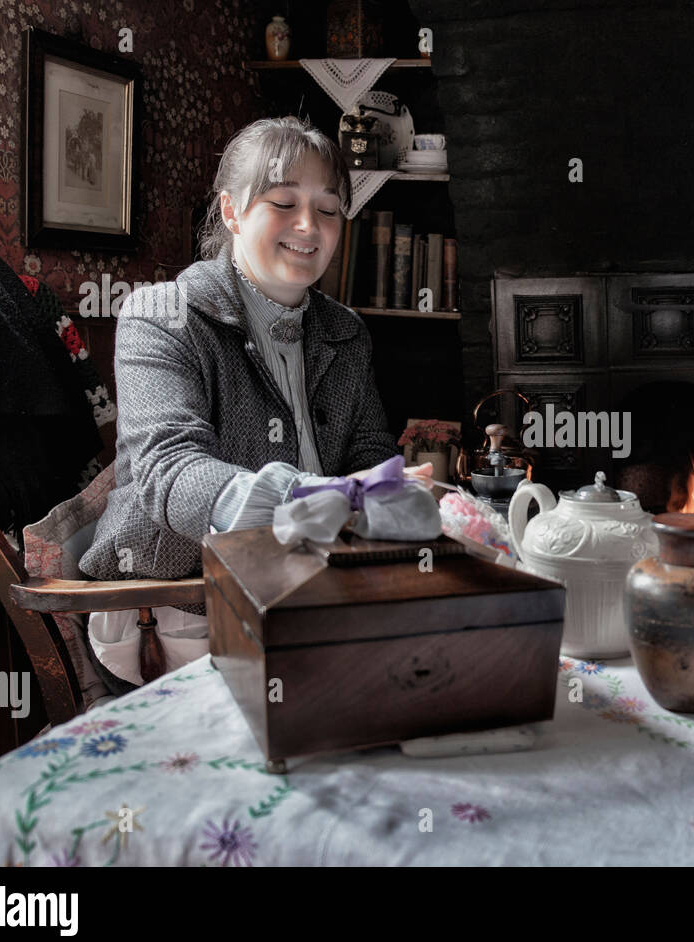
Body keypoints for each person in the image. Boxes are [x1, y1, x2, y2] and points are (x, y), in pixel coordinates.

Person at [78, 116, 431, 689]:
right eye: (283, 202)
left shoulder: (345, 332)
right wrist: (319, 498)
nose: (308, 226)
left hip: (311, 590)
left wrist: (390, 490)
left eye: (328, 209)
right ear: (231, 211)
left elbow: (368, 448)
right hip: (180, 606)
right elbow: (169, 471)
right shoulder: (160, 316)